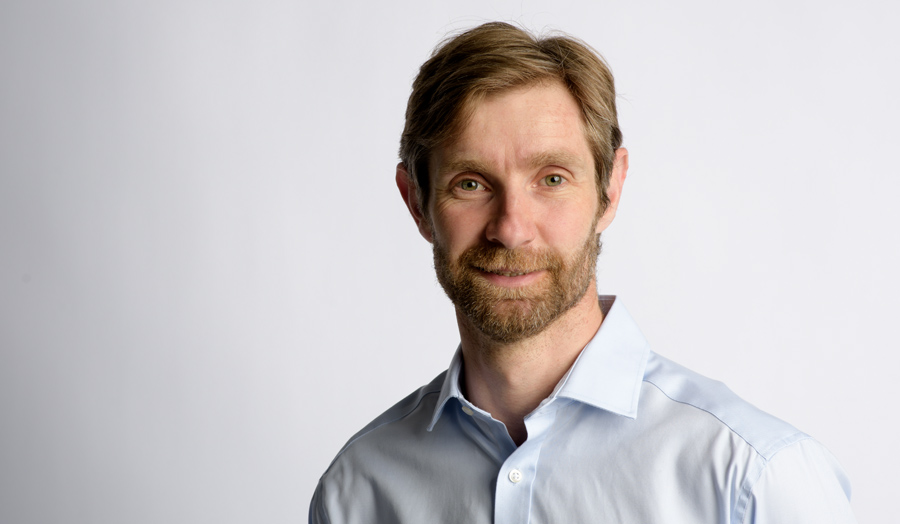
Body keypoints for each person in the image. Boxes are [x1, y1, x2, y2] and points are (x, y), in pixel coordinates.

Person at [309, 22, 856, 524]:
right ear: (416, 202)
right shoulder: (357, 491)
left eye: (551, 179)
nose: (511, 228)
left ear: (610, 190)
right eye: (471, 183)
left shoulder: (754, 480)